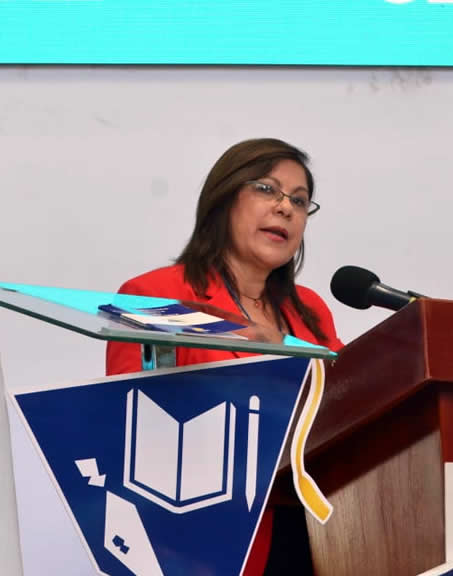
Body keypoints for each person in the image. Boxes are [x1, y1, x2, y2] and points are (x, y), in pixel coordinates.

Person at [106, 138, 344, 575]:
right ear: (224, 198)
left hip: (321, 530)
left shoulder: (309, 310)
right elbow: (132, 430)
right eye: (267, 189)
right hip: (209, 535)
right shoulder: (156, 295)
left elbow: (351, 393)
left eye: (299, 200)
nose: (285, 208)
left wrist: (287, 348)